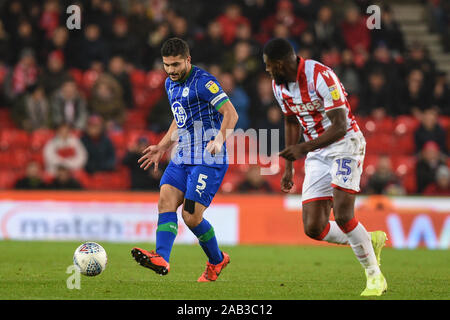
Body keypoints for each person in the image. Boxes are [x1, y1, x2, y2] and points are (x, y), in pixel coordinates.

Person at [263, 38, 387, 296]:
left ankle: (375, 276)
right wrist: (289, 166)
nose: (267, 71)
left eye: (269, 66)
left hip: (345, 145)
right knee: (313, 227)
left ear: (281, 63)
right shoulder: (279, 86)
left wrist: (302, 148)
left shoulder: (321, 76)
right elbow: (290, 121)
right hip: (316, 152)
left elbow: (340, 125)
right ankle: (367, 239)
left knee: (343, 215)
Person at [131, 38, 238, 282]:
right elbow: (180, 119)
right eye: (167, 65)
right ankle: (162, 258)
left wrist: (220, 139)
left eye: (176, 64)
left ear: (188, 60)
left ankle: (217, 260)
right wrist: (162, 146)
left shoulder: (204, 82)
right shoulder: (170, 84)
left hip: (208, 157)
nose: (171, 70)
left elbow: (231, 113)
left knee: (191, 217)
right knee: (165, 200)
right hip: (182, 155)